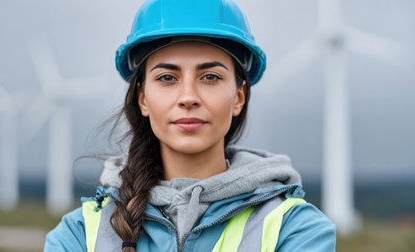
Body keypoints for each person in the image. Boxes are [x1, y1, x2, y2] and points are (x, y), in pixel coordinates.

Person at [44, 0, 336, 251]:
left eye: (210, 77)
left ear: (238, 97)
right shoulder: (79, 234)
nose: (188, 97)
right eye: (167, 78)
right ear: (142, 99)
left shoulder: (297, 230)